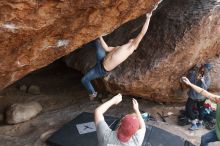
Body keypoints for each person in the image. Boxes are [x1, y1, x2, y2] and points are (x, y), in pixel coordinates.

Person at [81, 5, 158, 100]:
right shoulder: (119, 47)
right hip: (101, 59)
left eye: (135, 40)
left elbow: (142, 33)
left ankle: (93, 94)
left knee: (84, 79)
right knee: (97, 41)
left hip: (101, 69)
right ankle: (83, 42)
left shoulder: (131, 48)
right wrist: (100, 36)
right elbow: (107, 48)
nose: (134, 39)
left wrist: (148, 18)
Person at [181, 77, 220, 146]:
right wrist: (190, 84)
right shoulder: (218, 100)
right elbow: (203, 92)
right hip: (218, 132)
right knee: (204, 138)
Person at [185, 63, 212, 130]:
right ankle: (194, 122)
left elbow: (205, 88)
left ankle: (199, 122)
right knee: (188, 108)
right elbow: (191, 81)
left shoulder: (208, 77)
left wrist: (202, 81)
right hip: (193, 95)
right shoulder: (198, 72)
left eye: (206, 69)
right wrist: (193, 72)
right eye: (204, 68)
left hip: (200, 97)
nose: (204, 70)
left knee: (200, 109)